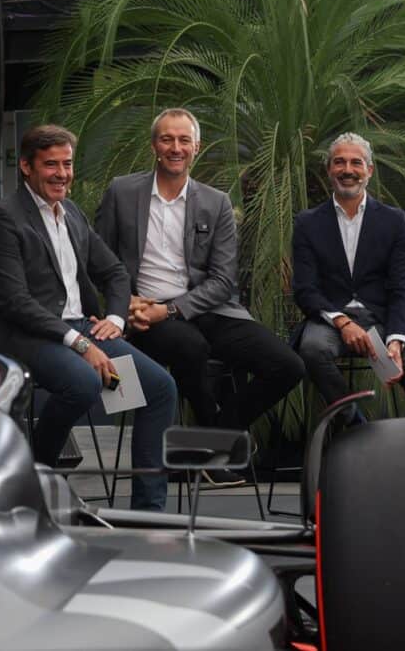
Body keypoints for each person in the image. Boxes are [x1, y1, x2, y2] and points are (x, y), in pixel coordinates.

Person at [95, 109, 304, 484]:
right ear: (154, 146)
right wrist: (126, 303)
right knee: (189, 347)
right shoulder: (122, 192)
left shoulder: (216, 202)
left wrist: (171, 309)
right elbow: (99, 257)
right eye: (167, 140)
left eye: (183, 141)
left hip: (205, 308)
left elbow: (223, 280)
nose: (176, 148)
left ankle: (211, 443)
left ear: (197, 148)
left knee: (288, 365)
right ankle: (214, 450)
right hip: (141, 314)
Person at [0, 124, 177, 511]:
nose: (62, 174)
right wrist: (81, 344)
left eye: (67, 164)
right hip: (28, 337)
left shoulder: (70, 212)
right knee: (84, 382)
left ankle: (148, 513)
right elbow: (15, 302)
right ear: (26, 167)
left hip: (81, 331)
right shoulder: (2, 219)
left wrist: (116, 321)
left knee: (159, 388)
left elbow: (115, 273)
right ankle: (37, 477)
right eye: (51, 165)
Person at [292, 132, 405, 415]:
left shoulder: (393, 220)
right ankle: (355, 428)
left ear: (369, 171)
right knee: (312, 351)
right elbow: (305, 289)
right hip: (330, 321)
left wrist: (395, 340)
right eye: (339, 162)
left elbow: (402, 287)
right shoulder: (307, 223)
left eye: (356, 163)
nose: (348, 170)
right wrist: (343, 323)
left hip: (383, 321)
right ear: (329, 170)